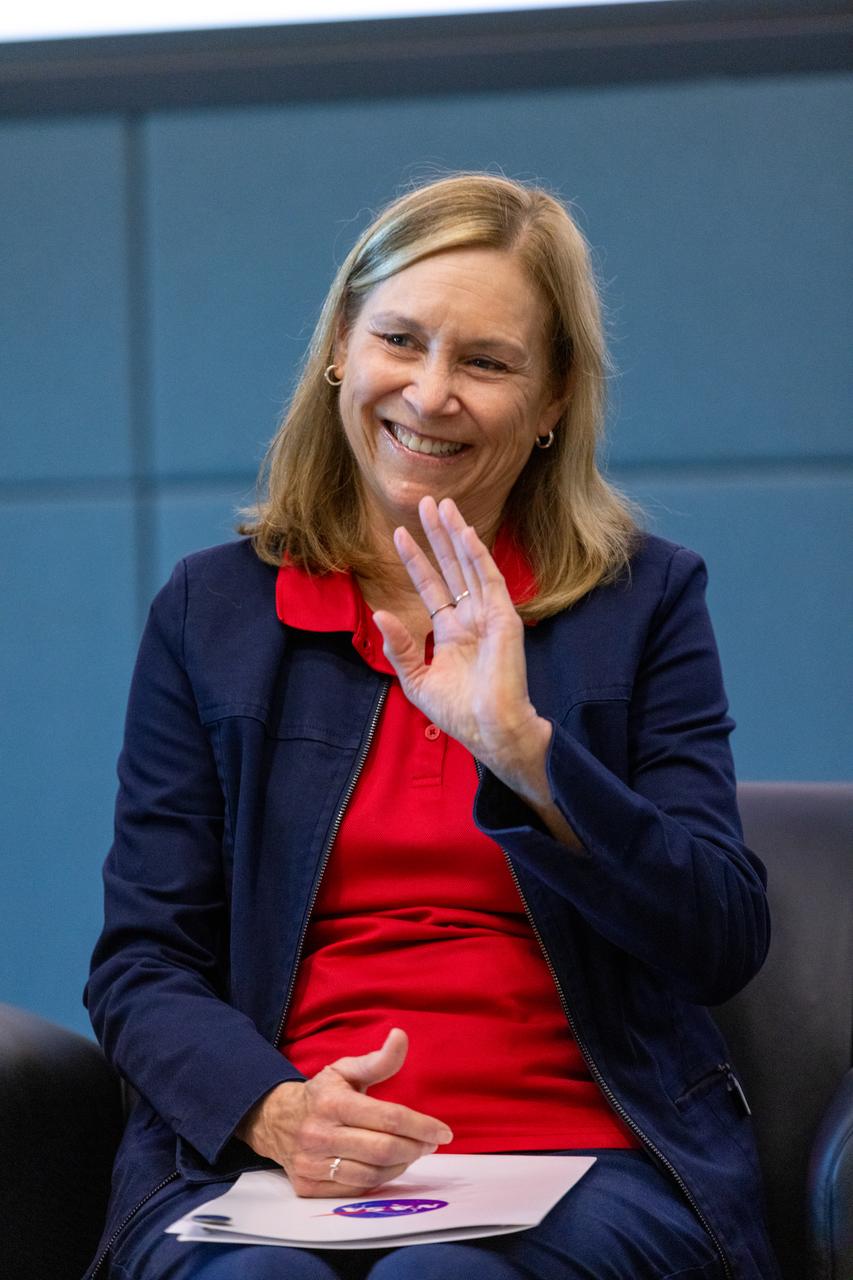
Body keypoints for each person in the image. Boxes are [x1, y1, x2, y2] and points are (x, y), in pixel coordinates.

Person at [84, 173, 780, 1280]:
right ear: (338, 354)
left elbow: (718, 937)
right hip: (271, 1169)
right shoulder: (209, 613)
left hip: (584, 1161)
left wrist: (526, 755)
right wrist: (269, 1109)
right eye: (399, 339)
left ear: (553, 401)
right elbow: (144, 959)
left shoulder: (644, 601)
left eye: (488, 362)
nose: (431, 391)